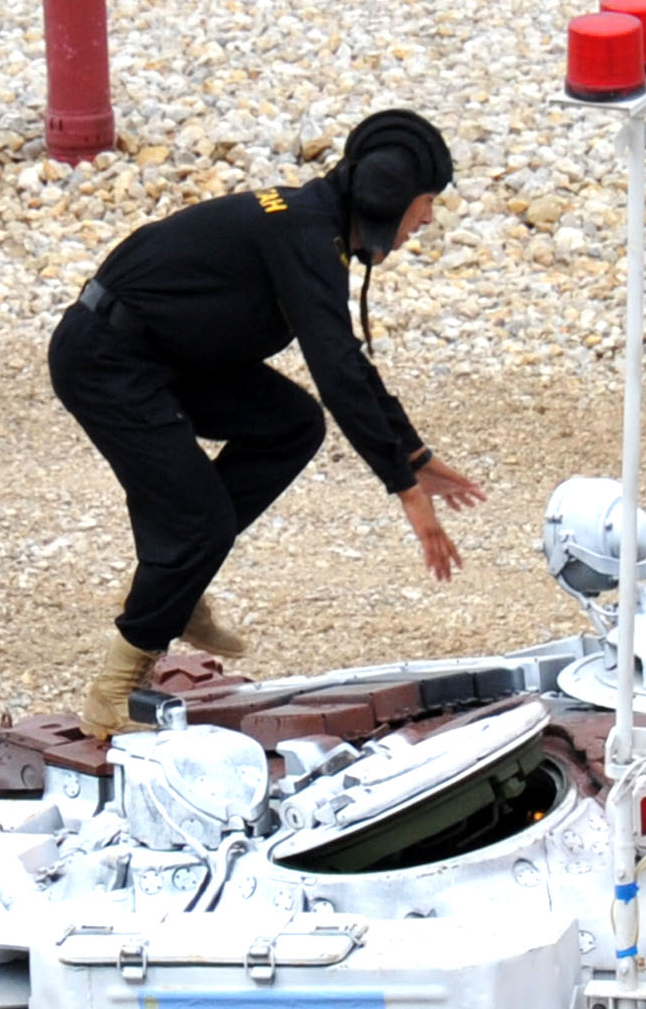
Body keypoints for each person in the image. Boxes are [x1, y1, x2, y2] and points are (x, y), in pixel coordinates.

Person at [47, 108, 487, 738]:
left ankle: (176, 584)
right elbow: (336, 368)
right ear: (389, 200)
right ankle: (112, 695)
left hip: (169, 356)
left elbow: (346, 360)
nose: (428, 220)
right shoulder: (305, 234)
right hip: (107, 361)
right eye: (427, 203)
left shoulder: (318, 226)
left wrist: (413, 454)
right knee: (199, 522)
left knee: (291, 423)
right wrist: (405, 490)